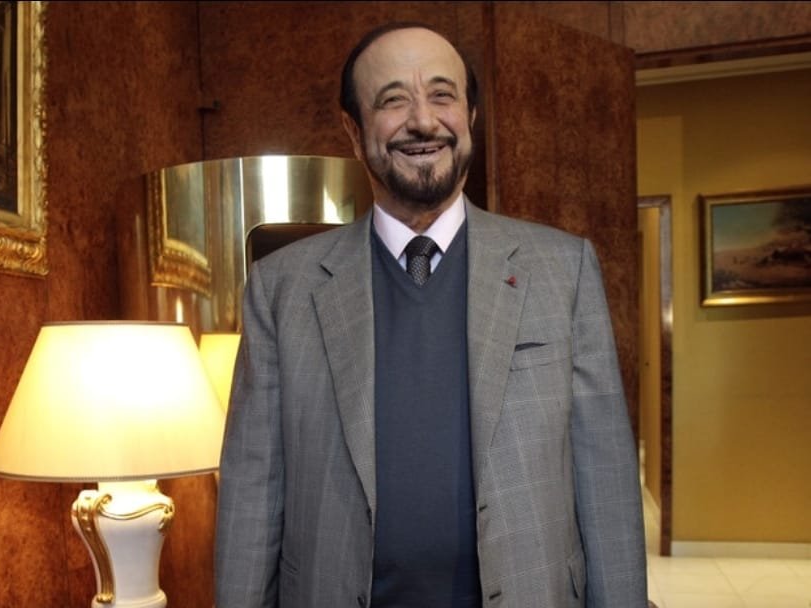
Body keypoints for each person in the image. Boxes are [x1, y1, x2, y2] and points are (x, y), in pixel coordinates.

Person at [214, 21, 647, 608]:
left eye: (442, 95)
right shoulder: (281, 288)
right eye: (393, 100)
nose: (423, 120)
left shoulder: (562, 270)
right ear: (353, 129)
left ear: (470, 115)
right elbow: (252, 490)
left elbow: (606, 478)